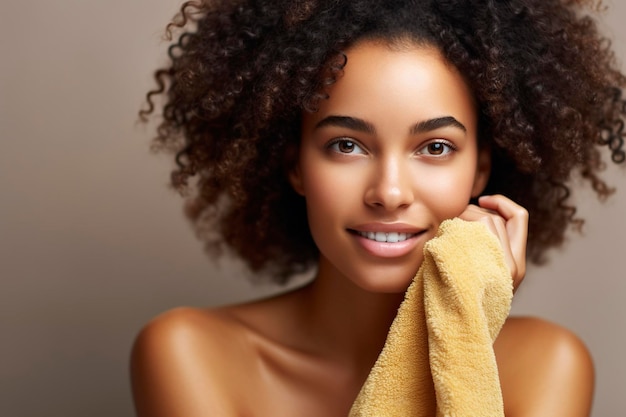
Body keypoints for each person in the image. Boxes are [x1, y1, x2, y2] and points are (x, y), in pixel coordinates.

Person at [131, 0, 625, 415]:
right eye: (347, 145)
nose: (389, 192)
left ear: (480, 170)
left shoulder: (547, 363)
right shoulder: (188, 352)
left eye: (434, 147)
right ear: (295, 166)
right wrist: (459, 314)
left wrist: (469, 315)